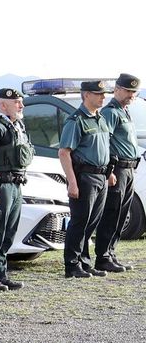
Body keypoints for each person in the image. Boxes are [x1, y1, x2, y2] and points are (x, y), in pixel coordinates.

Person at [0, 87, 34, 292]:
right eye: (17, 102)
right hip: (0, 185)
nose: (21, 105)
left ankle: (1, 274)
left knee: (8, 233)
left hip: (16, 184)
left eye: (21, 102)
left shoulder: (17, 126)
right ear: (3, 105)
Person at [59, 80, 114, 278]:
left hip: (101, 175)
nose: (103, 97)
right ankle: (72, 265)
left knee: (92, 222)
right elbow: (64, 152)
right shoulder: (76, 120)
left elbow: (103, 147)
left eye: (104, 94)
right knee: (80, 221)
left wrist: (109, 172)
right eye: (98, 94)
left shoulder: (100, 118)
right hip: (84, 176)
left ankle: (84, 262)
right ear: (86, 95)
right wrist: (72, 182)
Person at [95, 73, 140, 273]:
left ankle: (111, 253)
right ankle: (103, 257)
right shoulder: (111, 112)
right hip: (117, 168)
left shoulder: (124, 111)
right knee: (112, 213)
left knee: (121, 214)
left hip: (128, 169)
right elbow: (104, 143)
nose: (131, 95)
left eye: (134, 92)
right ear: (117, 89)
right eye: (128, 91)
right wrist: (109, 171)